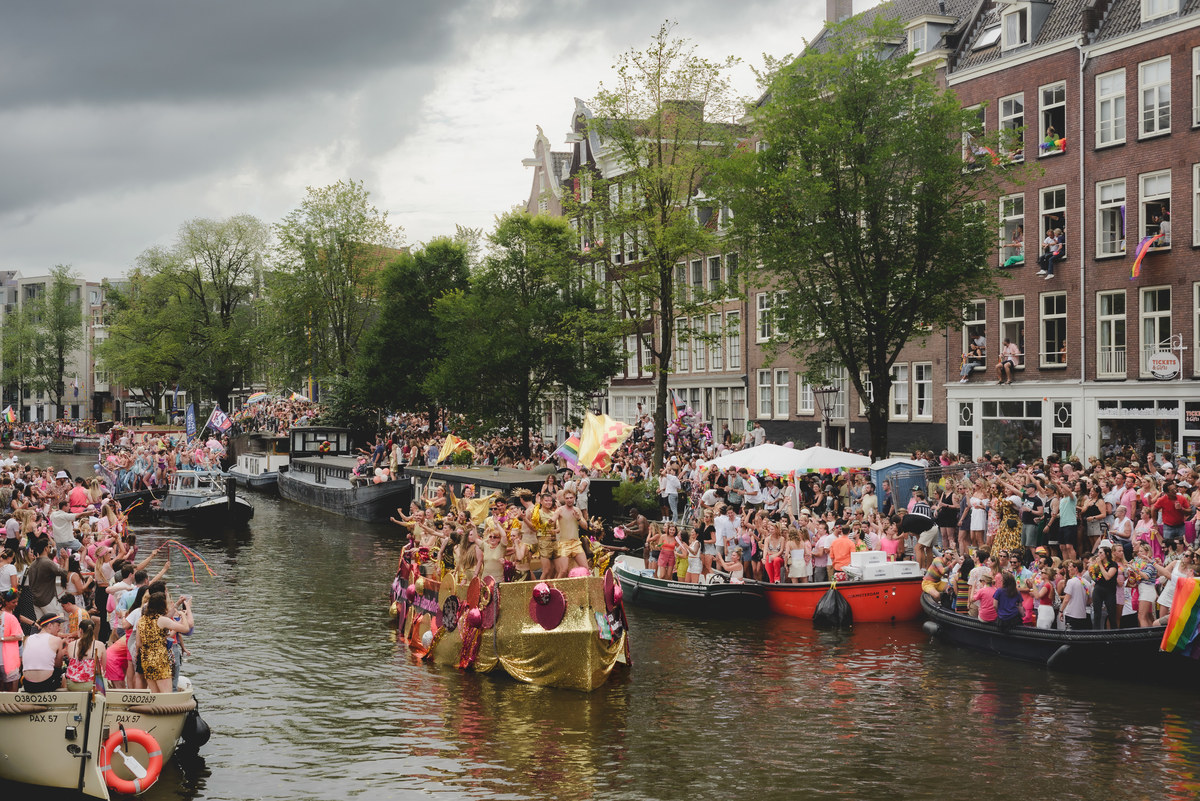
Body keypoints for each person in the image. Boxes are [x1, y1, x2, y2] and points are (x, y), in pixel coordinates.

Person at [137, 592, 193, 693]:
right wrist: (183, 615)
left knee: (155, 695)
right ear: (162, 605)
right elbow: (185, 628)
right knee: (166, 695)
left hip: (146, 660)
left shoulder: (141, 621)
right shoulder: (162, 620)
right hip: (160, 660)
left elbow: (138, 644)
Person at [22, 613, 66, 692]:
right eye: (58, 625)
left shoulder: (28, 639)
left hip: (28, 685)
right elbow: (58, 666)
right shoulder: (57, 640)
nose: (59, 628)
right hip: (46, 684)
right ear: (50, 625)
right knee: (64, 675)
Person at [63, 617, 106, 692]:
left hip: (73, 685)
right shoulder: (100, 645)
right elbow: (104, 667)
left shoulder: (71, 645)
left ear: (80, 630)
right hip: (93, 685)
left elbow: (70, 662)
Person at [0, 590, 23, 691]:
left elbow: (19, 636)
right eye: (14, 602)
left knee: (10, 690)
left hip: (8, 659)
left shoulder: (10, 617)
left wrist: (2, 639)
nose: (16, 604)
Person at [1060, 560, 1090, 630]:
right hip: (1082, 615)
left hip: (1071, 614)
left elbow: (1066, 599)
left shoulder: (1071, 582)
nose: (1069, 569)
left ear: (1076, 568)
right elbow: (1090, 600)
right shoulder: (1087, 583)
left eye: (1070, 567)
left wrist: (1061, 611)